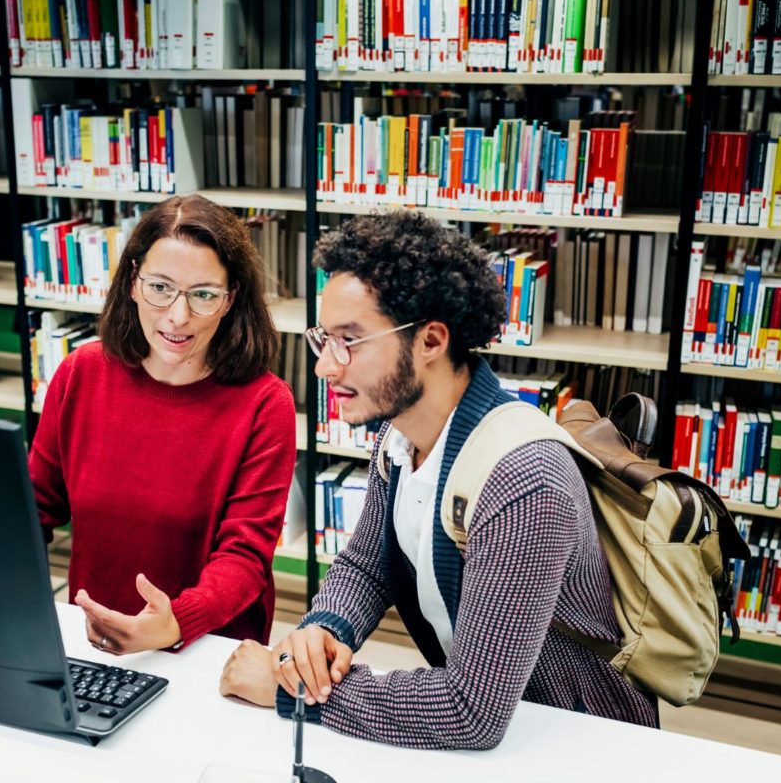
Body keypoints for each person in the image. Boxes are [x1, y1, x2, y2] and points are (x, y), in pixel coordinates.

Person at [219, 211, 658, 749]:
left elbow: (469, 711)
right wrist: (323, 631)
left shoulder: (525, 480)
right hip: (506, 730)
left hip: (580, 740)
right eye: (324, 340)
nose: (325, 367)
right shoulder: (399, 436)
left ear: (430, 340)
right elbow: (367, 564)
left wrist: (294, 693)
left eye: (350, 340)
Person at [30, 194, 296, 656]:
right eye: (160, 288)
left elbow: (245, 557)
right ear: (133, 283)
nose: (178, 316)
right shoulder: (80, 373)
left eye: (203, 295)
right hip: (94, 641)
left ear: (230, 299)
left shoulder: (265, 404)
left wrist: (175, 623)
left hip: (205, 649)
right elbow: (33, 507)